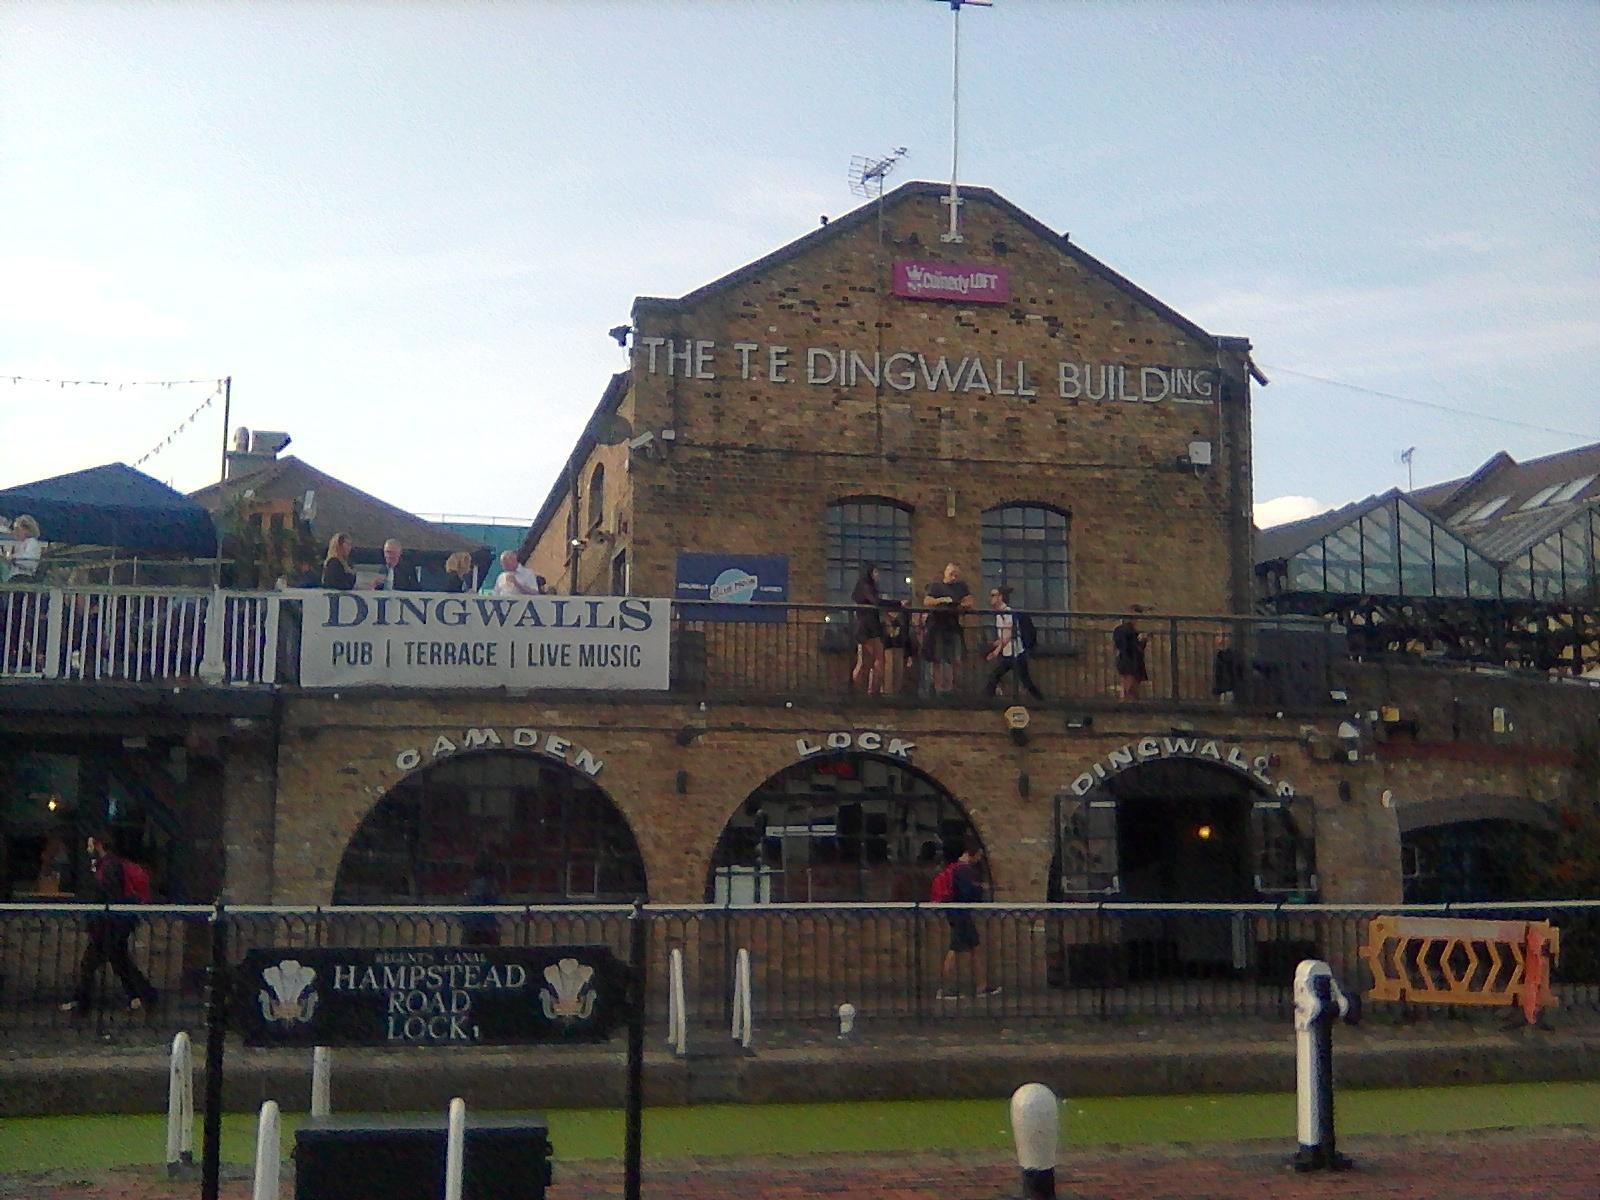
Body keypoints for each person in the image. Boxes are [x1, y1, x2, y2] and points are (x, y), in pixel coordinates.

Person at [60, 831, 158, 1016]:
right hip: (113, 925)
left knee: (89, 964)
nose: (88, 849)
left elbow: (110, 895)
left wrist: (100, 918)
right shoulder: (107, 865)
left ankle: (82, 1003)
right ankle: (144, 995)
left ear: (99, 845)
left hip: (108, 926)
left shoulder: (109, 866)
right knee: (121, 963)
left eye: (90, 845)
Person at [936, 838, 999, 1001]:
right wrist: (979, 891)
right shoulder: (964, 870)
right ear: (974, 854)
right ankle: (946, 989)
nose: (980, 859)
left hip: (958, 914)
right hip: (960, 914)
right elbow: (966, 893)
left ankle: (981, 986)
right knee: (955, 950)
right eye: (979, 855)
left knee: (974, 948)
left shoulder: (957, 868)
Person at [984, 585, 1043, 701]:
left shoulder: (1007, 613)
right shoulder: (999, 614)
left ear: (1000, 597)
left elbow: (1008, 635)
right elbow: (1003, 636)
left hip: (1015, 654)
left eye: (993, 595)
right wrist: (996, 644)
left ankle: (1040, 701)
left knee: (1024, 681)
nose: (990, 599)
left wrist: (996, 652)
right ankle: (986, 700)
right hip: (1009, 654)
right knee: (996, 676)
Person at [922, 562, 973, 695]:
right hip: (937, 626)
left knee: (953, 658)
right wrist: (942, 600)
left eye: (956, 575)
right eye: (952, 574)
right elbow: (927, 601)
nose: (954, 577)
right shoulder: (936, 586)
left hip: (953, 627)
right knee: (937, 658)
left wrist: (959, 605)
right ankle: (938, 688)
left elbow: (969, 601)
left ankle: (950, 688)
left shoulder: (961, 587)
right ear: (945, 572)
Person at [850, 564, 899, 696]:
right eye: (876, 572)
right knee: (871, 660)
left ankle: (868, 691)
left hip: (869, 625)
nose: (878, 575)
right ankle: (868, 691)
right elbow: (877, 602)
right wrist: (897, 604)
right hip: (867, 626)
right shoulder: (865, 586)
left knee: (870, 660)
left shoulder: (865, 588)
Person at [460, 851, 502, 947]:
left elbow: (474, 907)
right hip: (487, 928)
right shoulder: (493, 885)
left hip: (477, 929)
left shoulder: (479, 885)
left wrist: (465, 920)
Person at [1113, 612, 1149, 701]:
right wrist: (1142, 641)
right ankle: (1128, 703)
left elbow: (1119, 644)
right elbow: (1134, 647)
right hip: (1131, 660)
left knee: (1125, 684)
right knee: (1130, 686)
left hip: (1123, 659)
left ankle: (1125, 701)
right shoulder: (1131, 632)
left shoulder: (1118, 630)